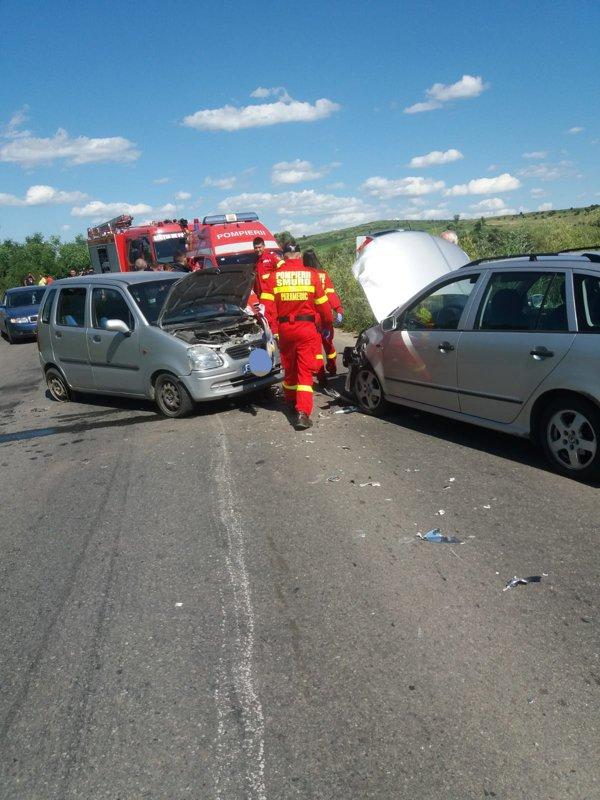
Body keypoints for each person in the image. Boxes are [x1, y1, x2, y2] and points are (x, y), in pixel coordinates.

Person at [260, 242, 332, 430]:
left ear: (284, 257)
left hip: (285, 330)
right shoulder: (312, 275)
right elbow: (323, 306)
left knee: (289, 366)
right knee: (304, 372)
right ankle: (302, 412)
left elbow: (267, 309)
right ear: (299, 255)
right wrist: (327, 324)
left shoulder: (273, 277)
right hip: (306, 328)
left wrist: (274, 330)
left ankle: (290, 401)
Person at [302, 249, 343, 387]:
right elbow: (331, 294)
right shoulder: (323, 275)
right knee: (328, 344)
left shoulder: (304, 276)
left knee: (316, 349)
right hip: (325, 315)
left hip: (310, 318)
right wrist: (338, 310)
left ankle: (320, 376)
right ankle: (332, 369)